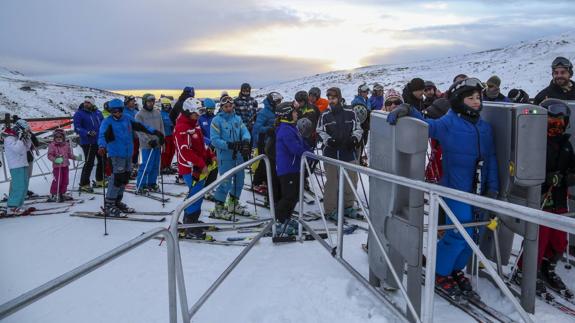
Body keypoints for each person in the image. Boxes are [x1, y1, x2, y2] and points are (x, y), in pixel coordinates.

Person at [387, 77, 499, 300]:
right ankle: (440, 271)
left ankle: (454, 269)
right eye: (471, 98)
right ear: (459, 100)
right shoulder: (449, 123)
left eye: (478, 97)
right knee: (460, 234)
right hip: (454, 190)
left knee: (473, 235)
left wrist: (493, 188)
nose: (476, 102)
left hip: (478, 190)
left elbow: (492, 158)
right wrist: (408, 108)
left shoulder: (485, 127)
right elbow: (427, 126)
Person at [515, 99, 575, 296]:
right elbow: (525, 167)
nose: (556, 126)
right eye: (551, 121)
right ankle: (525, 269)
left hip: (559, 197)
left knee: (559, 239)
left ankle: (546, 266)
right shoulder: (535, 142)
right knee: (540, 235)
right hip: (541, 195)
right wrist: (545, 177)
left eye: (560, 122)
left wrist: (566, 177)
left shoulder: (566, 145)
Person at [97, 99, 164, 216]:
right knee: (117, 178)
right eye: (114, 111)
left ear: (122, 110)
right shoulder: (107, 122)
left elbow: (141, 126)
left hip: (128, 154)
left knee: (125, 177)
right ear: (111, 111)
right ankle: (109, 203)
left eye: (119, 111)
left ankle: (117, 201)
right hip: (116, 154)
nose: (117, 113)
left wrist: (156, 132)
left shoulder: (127, 118)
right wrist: (102, 146)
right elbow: (102, 135)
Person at [317, 87, 363, 220]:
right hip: (332, 154)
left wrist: (355, 138)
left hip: (348, 152)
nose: (331, 101)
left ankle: (348, 206)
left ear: (339, 97)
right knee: (332, 182)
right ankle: (331, 210)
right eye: (329, 98)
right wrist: (329, 140)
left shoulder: (350, 112)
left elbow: (358, 128)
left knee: (351, 181)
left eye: (334, 98)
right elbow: (319, 131)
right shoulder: (325, 115)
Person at [174, 97, 216, 240]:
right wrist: (200, 164)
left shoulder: (194, 123)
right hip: (190, 168)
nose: (198, 116)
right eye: (196, 113)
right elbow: (184, 151)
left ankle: (192, 220)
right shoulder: (182, 127)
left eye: (199, 113)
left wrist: (209, 155)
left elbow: (200, 143)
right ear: (187, 111)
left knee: (198, 194)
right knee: (195, 195)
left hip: (199, 165)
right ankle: (189, 226)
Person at [209, 95, 252, 220]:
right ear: (222, 107)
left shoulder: (237, 119)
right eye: (226, 106)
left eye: (230, 106)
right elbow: (214, 140)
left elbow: (244, 131)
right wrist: (229, 145)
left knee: (240, 180)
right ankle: (219, 208)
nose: (228, 108)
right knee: (225, 182)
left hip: (238, 155)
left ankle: (233, 204)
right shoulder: (217, 121)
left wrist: (245, 141)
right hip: (225, 156)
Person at [274, 102, 311, 236]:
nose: (296, 114)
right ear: (287, 114)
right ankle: (279, 220)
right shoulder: (285, 130)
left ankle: (286, 219)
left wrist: (308, 149)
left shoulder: (291, 127)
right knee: (289, 196)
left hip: (294, 168)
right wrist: (308, 154)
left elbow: (300, 143)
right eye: (294, 112)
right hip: (288, 169)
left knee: (295, 195)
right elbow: (295, 148)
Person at [251, 92, 283, 193]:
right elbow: (256, 128)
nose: (279, 103)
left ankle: (266, 180)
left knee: (271, 163)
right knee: (264, 162)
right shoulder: (264, 112)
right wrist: (269, 129)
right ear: (272, 102)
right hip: (263, 141)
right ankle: (256, 182)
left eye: (280, 101)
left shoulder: (277, 111)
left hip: (273, 141)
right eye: (277, 101)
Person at [73, 96, 104, 192]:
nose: (86, 104)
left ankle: (99, 180)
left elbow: (103, 124)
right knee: (89, 162)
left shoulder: (98, 112)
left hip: (99, 141)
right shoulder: (79, 113)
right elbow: (77, 127)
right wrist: (87, 132)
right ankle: (84, 184)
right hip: (88, 141)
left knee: (102, 160)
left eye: (89, 102)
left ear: (93, 104)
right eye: (85, 102)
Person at [135, 94, 165, 192]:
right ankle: (141, 184)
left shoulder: (157, 113)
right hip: (146, 146)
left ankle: (152, 183)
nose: (151, 103)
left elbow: (161, 127)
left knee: (155, 165)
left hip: (157, 144)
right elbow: (139, 131)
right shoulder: (139, 115)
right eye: (149, 101)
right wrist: (148, 140)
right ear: (144, 102)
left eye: (152, 101)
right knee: (145, 165)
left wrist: (162, 139)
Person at [2, 119, 32, 215]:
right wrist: (20, 139)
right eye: (25, 130)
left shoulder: (17, 137)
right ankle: (12, 206)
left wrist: (27, 138)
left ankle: (19, 204)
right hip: (15, 165)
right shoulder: (9, 138)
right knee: (18, 185)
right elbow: (17, 149)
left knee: (24, 184)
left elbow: (27, 148)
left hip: (23, 163)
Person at [47, 129, 80, 202]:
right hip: (57, 166)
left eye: (60, 136)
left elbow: (69, 154)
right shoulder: (52, 145)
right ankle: (54, 194)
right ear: (54, 137)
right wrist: (55, 159)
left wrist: (76, 157)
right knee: (57, 180)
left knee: (65, 180)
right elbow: (49, 155)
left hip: (65, 165)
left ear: (63, 137)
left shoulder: (66, 145)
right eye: (57, 137)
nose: (58, 138)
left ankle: (62, 193)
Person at [198, 98, 219, 190]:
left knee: (214, 168)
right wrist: (208, 142)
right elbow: (199, 135)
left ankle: (210, 187)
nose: (211, 111)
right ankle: (200, 187)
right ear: (205, 108)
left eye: (213, 109)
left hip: (215, 147)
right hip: (205, 147)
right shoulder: (200, 119)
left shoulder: (215, 119)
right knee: (204, 168)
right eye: (210, 109)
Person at [160, 97, 176, 174]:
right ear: (162, 105)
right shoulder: (161, 114)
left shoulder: (172, 113)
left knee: (172, 151)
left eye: (168, 105)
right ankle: (163, 166)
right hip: (165, 135)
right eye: (165, 105)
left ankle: (168, 165)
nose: (167, 107)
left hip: (172, 135)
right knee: (166, 151)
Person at [123, 95, 140, 168]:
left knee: (136, 151)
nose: (133, 102)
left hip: (136, 135)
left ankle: (134, 165)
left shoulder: (136, 111)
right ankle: (128, 167)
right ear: (127, 102)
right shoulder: (123, 111)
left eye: (134, 101)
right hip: (127, 136)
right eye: (132, 101)